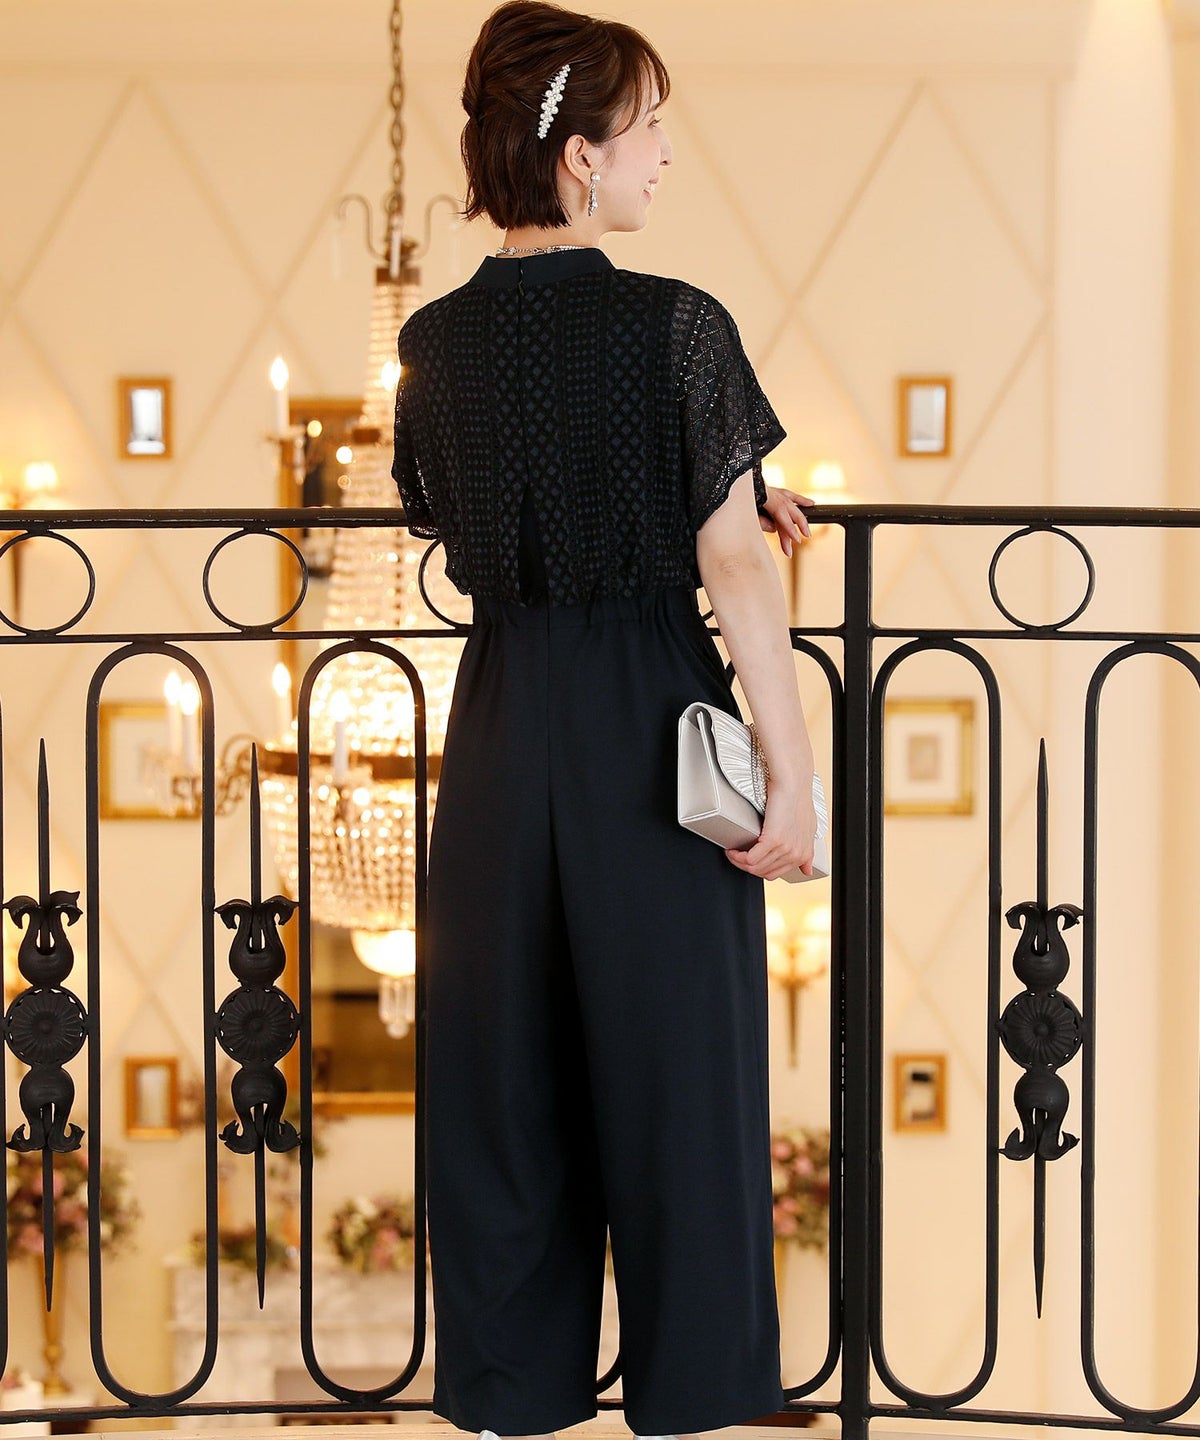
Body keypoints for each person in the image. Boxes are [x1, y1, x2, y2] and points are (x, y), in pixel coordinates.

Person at [389, 4, 820, 1439]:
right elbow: (732, 568)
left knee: (502, 1078)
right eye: (648, 132)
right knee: (676, 1068)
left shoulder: (432, 343)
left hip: (501, 721)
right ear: (580, 157)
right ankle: (692, 1392)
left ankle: (516, 1396)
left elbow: (446, 514)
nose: (665, 157)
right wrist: (793, 781)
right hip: (651, 718)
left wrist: (700, 486)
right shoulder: (677, 324)